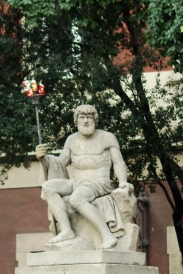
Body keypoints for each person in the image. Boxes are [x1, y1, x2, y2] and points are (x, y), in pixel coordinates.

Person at [36, 104, 132, 249]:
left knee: (76, 199)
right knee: (48, 187)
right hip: (76, 181)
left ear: (95, 120)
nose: (86, 121)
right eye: (82, 117)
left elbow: (119, 163)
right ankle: (67, 230)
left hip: (99, 182)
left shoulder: (107, 138)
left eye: (89, 117)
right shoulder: (71, 140)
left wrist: (123, 182)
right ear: (76, 120)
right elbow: (59, 164)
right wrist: (44, 158)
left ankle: (107, 235)